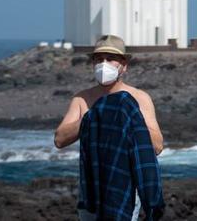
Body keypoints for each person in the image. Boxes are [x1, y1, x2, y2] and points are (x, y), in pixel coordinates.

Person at [55, 35, 165, 220]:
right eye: (98, 60)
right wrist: (95, 115)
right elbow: (60, 139)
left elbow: (157, 145)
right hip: (91, 186)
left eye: (110, 59)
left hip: (124, 187)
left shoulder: (138, 98)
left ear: (124, 65)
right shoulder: (83, 99)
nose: (103, 64)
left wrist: (128, 117)